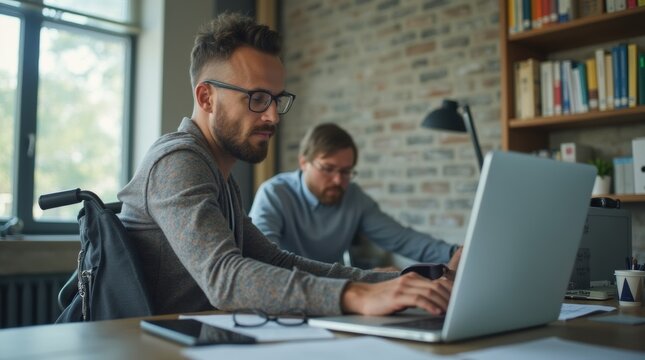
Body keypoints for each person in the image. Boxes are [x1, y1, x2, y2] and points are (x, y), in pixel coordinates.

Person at [117, 13, 453, 317]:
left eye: (277, 99)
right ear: (206, 98)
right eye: (257, 98)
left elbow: (277, 260)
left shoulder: (219, 175)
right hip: (146, 346)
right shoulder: (177, 161)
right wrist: (357, 295)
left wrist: (392, 281)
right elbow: (226, 278)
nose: (273, 116)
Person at [249, 123, 461, 267]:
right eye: (328, 168)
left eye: (346, 171)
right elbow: (263, 261)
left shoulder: (353, 197)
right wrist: (361, 279)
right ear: (304, 162)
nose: (338, 181)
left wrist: (455, 253)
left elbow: (403, 239)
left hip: (335, 299)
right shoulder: (274, 194)